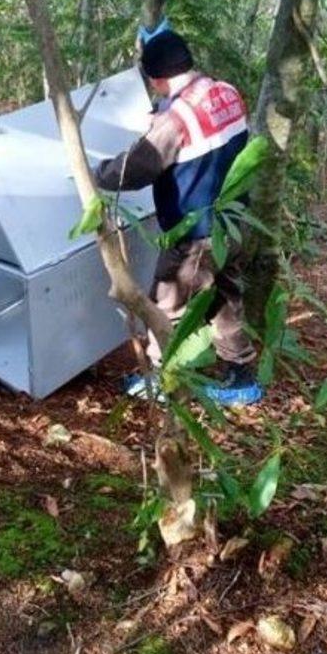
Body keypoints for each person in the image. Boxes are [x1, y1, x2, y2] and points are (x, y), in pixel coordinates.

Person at [94, 28, 261, 405]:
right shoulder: (226, 92)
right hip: (234, 222)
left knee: (166, 304)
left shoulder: (176, 119)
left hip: (195, 234)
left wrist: (97, 173)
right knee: (224, 297)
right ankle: (242, 378)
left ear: (157, 79)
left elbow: (136, 169)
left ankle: (162, 380)